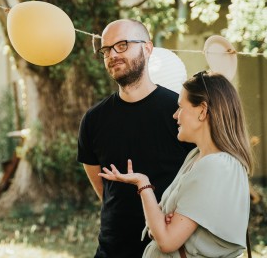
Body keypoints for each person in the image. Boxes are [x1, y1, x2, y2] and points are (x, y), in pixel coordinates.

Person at [99, 71, 253, 257]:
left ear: (202, 111)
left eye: (180, 107)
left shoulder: (216, 166)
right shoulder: (196, 156)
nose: (175, 115)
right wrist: (161, 222)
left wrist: (143, 184)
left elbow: (166, 241)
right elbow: (157, 228)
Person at [77, 19, 194, 258]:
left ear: (148, 49)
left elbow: (200, 179)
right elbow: (103, 188)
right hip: (112, 249)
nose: (112, 55)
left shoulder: (179, 111)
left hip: (171, 249)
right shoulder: (93, 119)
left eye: (122, 45)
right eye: (106, 50)